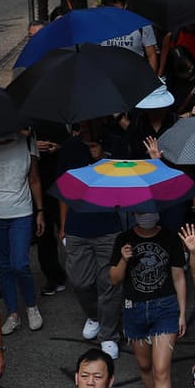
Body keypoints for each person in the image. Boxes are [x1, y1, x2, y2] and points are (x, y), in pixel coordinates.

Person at [108, 211, 187, 388]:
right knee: (144, 366)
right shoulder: (124, 238)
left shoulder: (170, 238)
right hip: (134, 309)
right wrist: (123, 259)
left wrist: (183, 313)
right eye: (142, 211)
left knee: (161, 369)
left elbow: (178, 276)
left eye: (151, 210)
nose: (147, 215)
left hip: (165, 307)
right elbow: (114, 279)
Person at [56, 120, 124, 356]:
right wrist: (63, 225)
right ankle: (95, 315)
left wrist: (101, 160)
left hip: (108, 225)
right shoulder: (69, 148)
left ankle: (109, 334)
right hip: (77, 226)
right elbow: (63, 188)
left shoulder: (115, 144)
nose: (86, 125)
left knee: (109, 283)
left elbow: (125, 185)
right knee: (80, 281)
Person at [0, 127, 45, 335]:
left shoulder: (27, 141)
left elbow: (34, 179)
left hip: (21, 211)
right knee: (2, 265)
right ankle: (13, 313)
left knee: (20, 264)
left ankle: (31, 306)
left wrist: (40, 211)